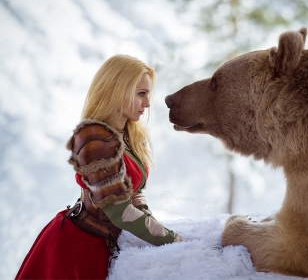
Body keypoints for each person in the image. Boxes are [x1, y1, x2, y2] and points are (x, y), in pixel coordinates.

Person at [16, 55, 184, 279]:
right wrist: (172, 240)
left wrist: (154, 226)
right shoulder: (93, 139)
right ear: (118, 90)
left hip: (104, 244)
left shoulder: (129, 136)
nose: (147, 103)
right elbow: (118, 211)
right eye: (141, 94)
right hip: (77, 245)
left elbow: (135, 192)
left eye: (148, 94)